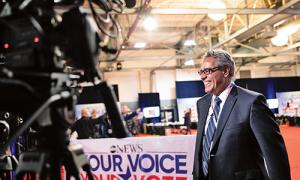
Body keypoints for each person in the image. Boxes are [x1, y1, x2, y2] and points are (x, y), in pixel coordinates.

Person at [193, 49, 290, 180]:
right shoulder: (202, 104)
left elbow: (275, 155)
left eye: (208, 71)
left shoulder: (252, 102)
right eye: (201, 72)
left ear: (226, 71)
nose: (202, 76)